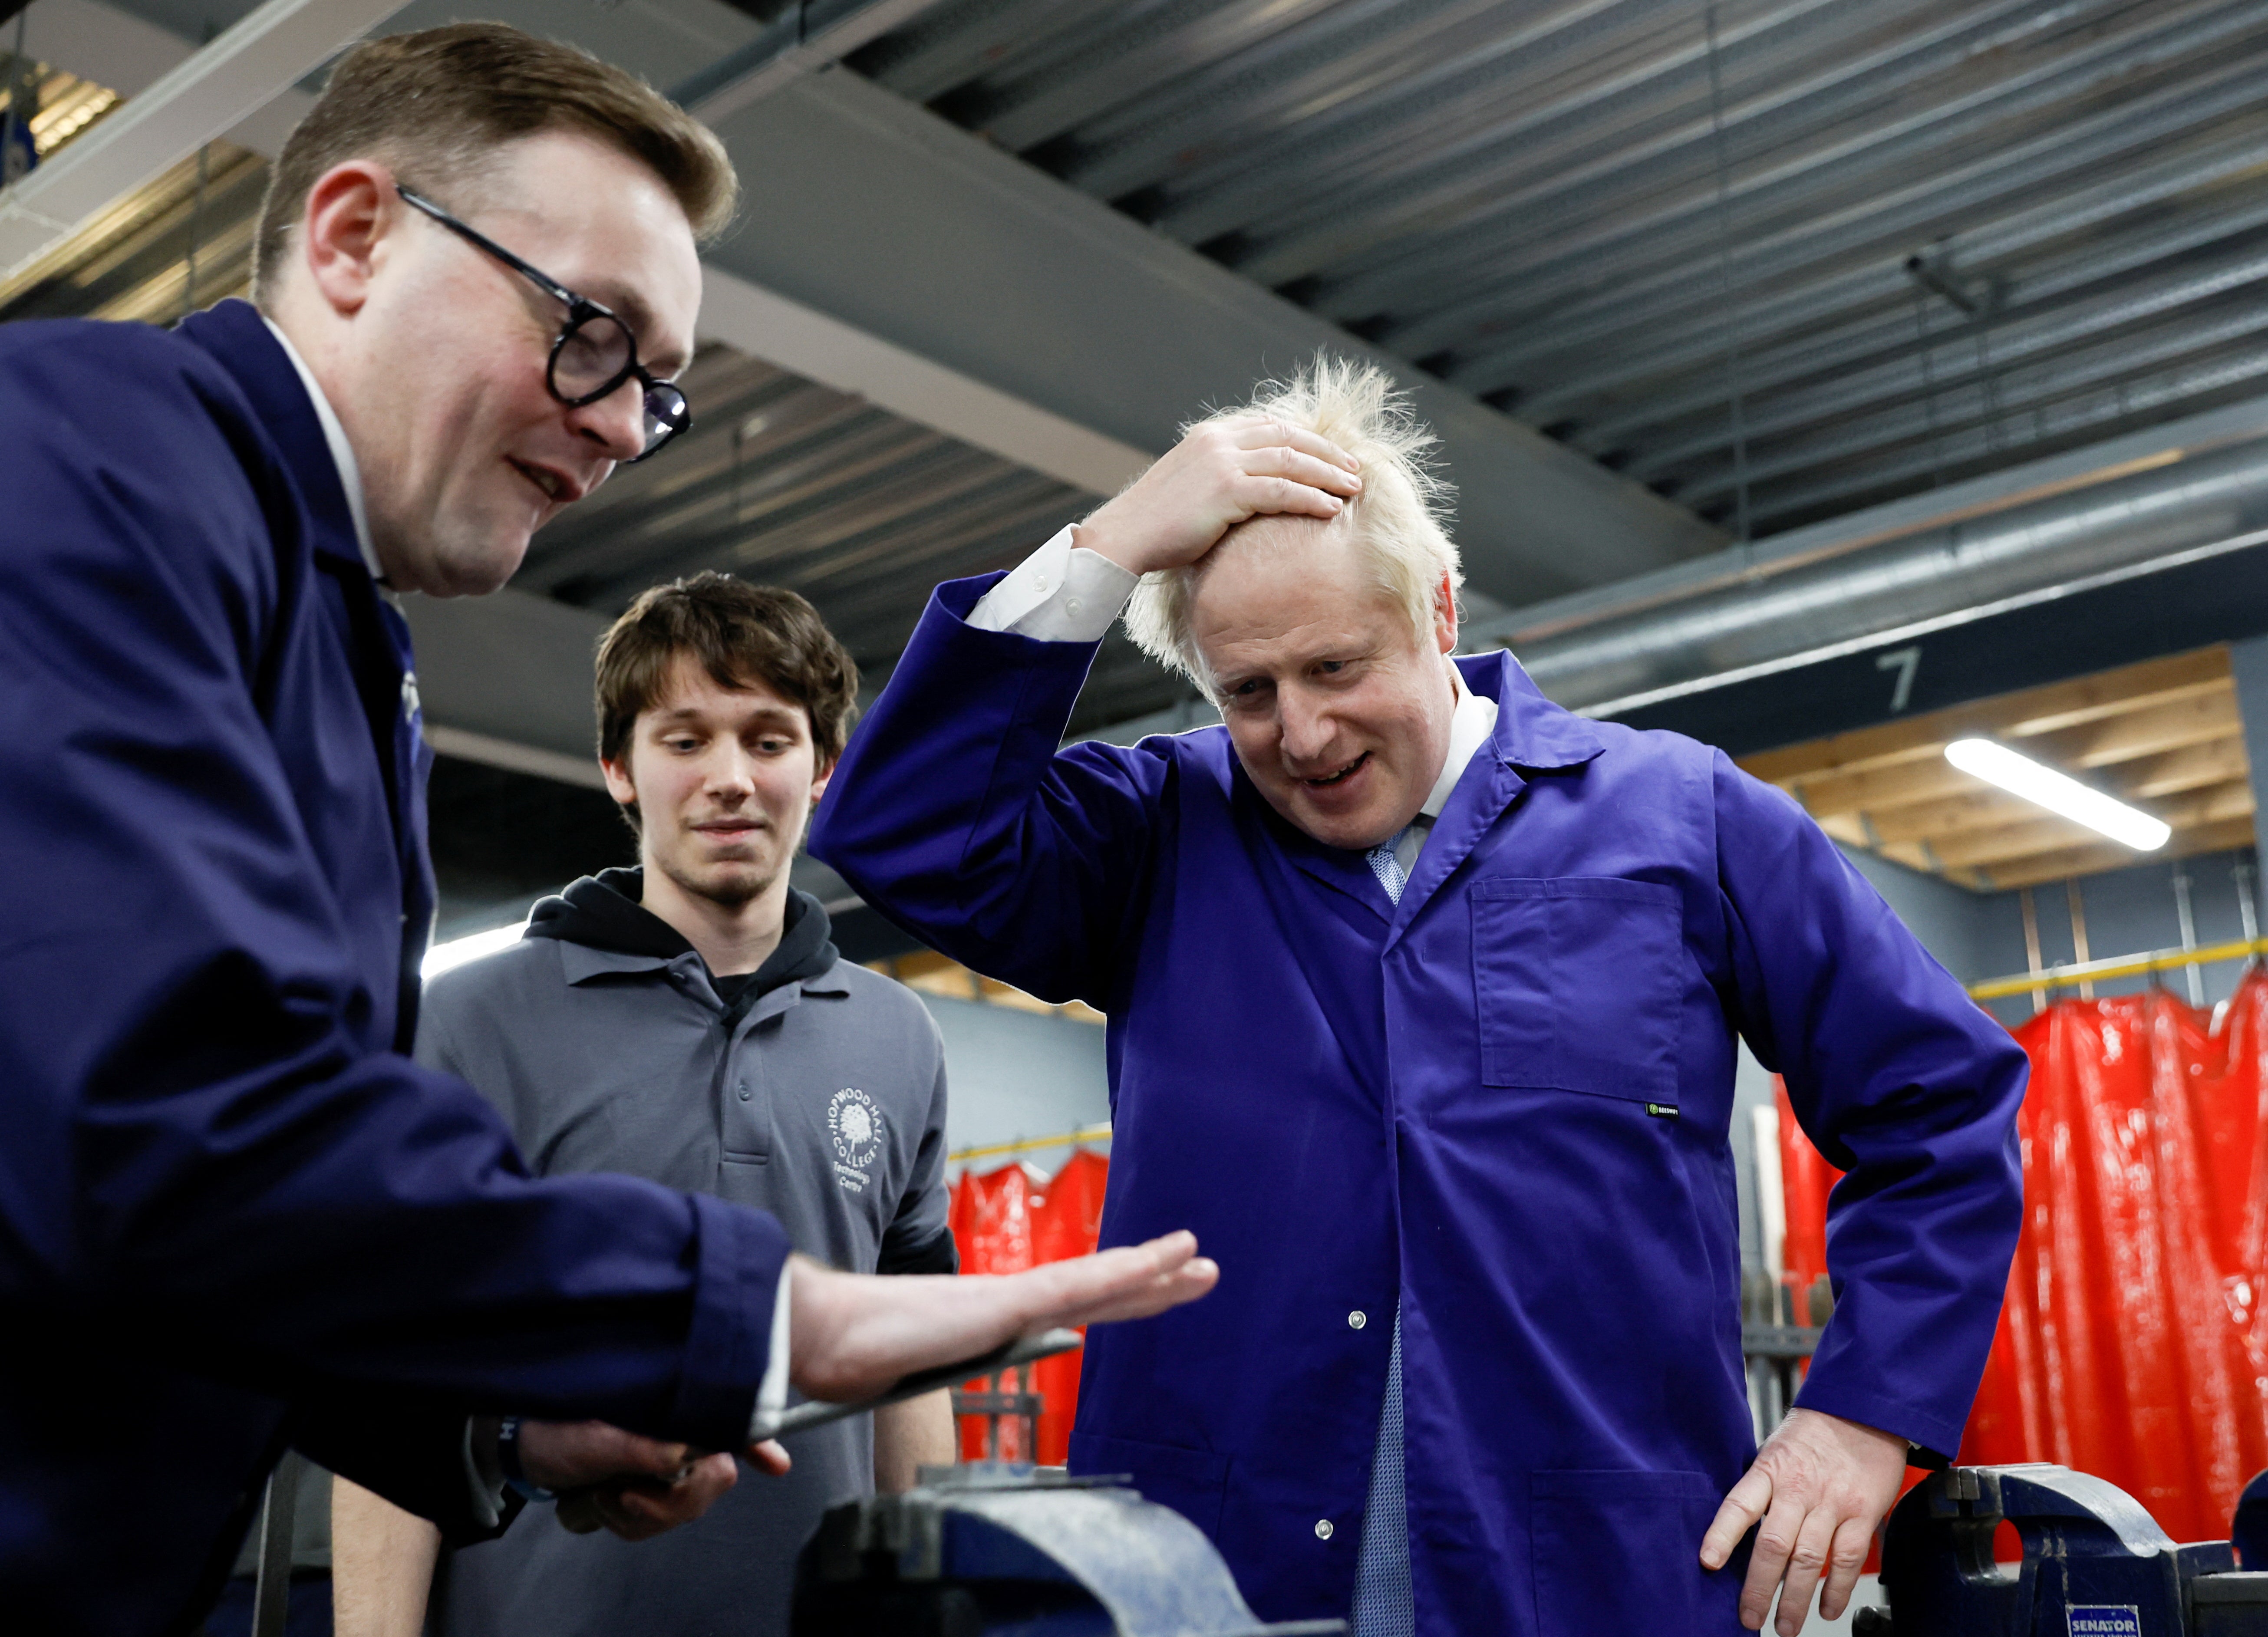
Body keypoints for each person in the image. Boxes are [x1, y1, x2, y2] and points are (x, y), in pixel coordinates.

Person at [0, 26, 1213, 1637]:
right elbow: (162, 1102)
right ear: (355, 236)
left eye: (661, 386)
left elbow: (210, 1262)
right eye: (592, 334)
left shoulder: (341, 635)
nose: (625, 427)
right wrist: (742, 1319)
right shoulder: (84, 466)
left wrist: (499, 1423)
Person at [808, 359, 2029, 1637]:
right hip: (1217, 1575)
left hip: (1595, 1577)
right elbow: (904, 829)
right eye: (1249, 691)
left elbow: (1938, 1101)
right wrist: (1107, 548)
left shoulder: (1684, 818)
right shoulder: (1161, 831)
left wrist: (1863, 1417)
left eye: (1339, 665)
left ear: (1440, 607)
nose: (1304, 733)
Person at [331, 574, 960, 1637]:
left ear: (822, 771)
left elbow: (908, 1362)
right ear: (619, 767)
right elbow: (394, 1388)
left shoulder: (898, 1037)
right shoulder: (465, 1022)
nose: (730, 779)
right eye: (685, 739)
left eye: (769, 740)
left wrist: (932, 1604)